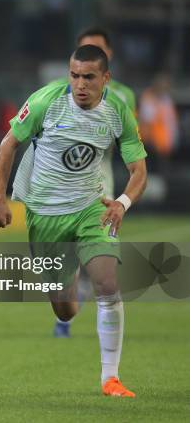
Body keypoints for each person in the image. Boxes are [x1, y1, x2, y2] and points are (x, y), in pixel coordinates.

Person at [0, 45, 147, 398]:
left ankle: (111, 378)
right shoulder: (46, 101)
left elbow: (138, 170)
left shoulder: (118, 110)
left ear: (105, 78)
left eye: (89, 77)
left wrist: (121, 202)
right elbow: (7, 144)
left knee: (107, 284)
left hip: (93, 207)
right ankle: (69, 277)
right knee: (64, 310)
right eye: (74, 75)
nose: (80, 84)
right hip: (45, 215)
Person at [50, 26, 138, 338]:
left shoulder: (123, 97)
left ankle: (108, 365)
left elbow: (126, 142)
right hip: (60, 193)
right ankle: (68, 307)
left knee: (99, 265)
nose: (82, 80)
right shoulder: (55, 92)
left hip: (102, 188)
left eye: (95, 50)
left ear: (107, 57)